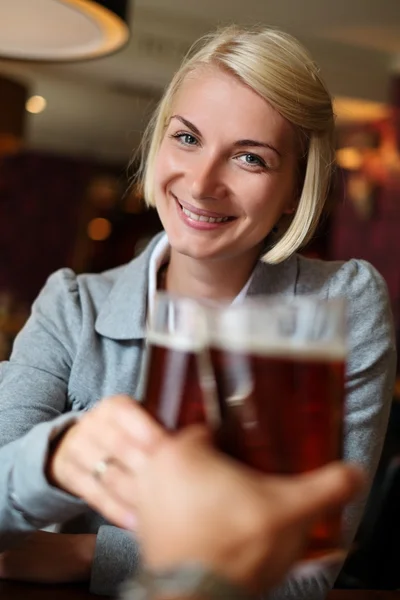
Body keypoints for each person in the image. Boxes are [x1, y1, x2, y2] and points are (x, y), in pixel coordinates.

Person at [0, 24, 396, 600]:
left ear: (294, 189)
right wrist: (56, 459)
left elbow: (301, 577)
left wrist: (89, 552)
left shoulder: (341, 304)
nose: (203, 183)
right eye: (187, 138)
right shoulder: (72, 305)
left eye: (250, 158)